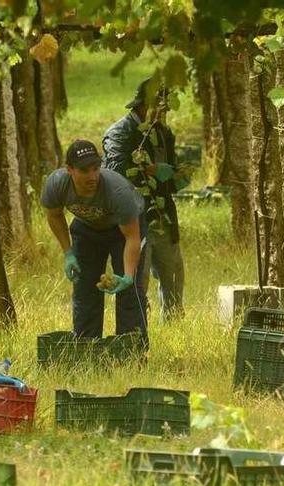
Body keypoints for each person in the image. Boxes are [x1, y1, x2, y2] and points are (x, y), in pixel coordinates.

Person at [41, 139, 148, 339]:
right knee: (84, 288)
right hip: (88, 226)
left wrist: (127, 276)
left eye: (96, 168)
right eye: (84, 171)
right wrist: (68, 253)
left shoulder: (117, 191)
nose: (92, 176)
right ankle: (87, 349)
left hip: (123, 229)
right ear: (69, 170)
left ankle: (131, 352)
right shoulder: (56, 185)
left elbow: (132, 237)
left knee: (129, 291)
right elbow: (54, 215)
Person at [103, 79, 187, 321]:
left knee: (173, 274)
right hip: (132, 218)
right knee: (138, 277)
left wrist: (175, 175)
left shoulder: (163, 133)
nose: (163, 114)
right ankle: (136, 325)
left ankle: (174, 325)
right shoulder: (120, 132)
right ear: (144, 105)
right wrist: (147, 170)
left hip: (162, 216)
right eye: (159, 108)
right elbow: (114, 171)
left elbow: (169, 173)